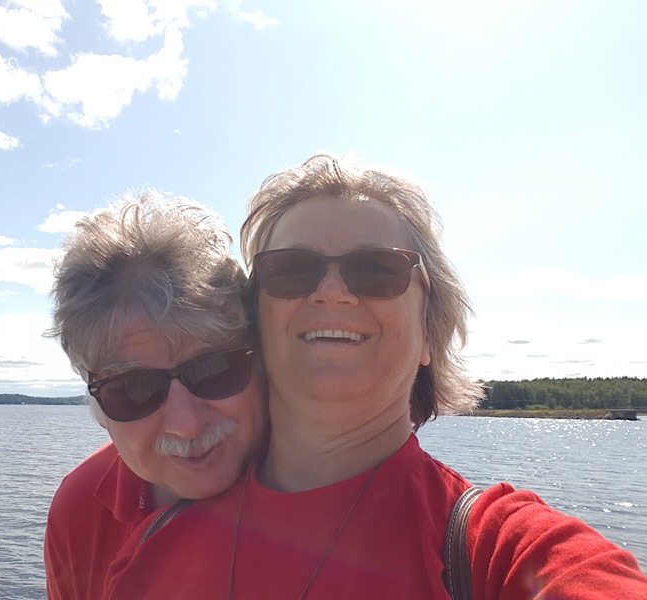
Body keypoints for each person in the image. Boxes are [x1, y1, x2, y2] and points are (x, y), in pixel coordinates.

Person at [100, 154, 647, 599]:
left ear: (429, 331)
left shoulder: (497, 553)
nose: (332, 291)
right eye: (291, 269)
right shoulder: (148, 532)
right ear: (255, 327)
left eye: (377, 270)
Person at [43, 190, 266, 599]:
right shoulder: (81, 506)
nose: (187, 424)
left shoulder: (331, 484)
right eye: (135, 389)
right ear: (97, 403)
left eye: (214, 368)